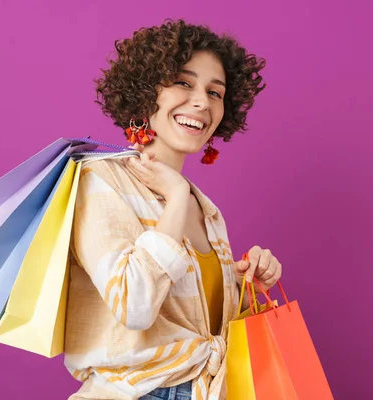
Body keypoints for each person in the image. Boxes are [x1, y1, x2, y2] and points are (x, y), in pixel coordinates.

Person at [64, 19, 282, 400]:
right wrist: (177, 197)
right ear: (147, 92)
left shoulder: (207, 210)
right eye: (184, 82)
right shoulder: (99, 181)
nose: (202, 101)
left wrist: (244, 287)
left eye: (216, 92)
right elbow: (134, 306)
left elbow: (197, 326)